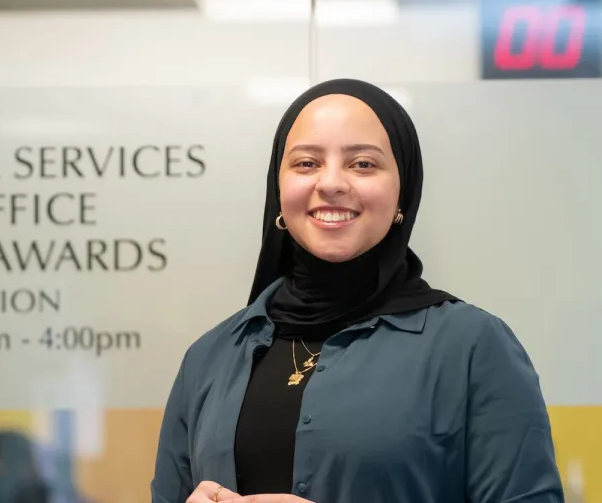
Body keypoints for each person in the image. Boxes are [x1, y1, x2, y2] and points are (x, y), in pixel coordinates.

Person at [149, 79, 562, 503]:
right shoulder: (210, 357)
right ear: (279, 188)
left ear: (403, 191)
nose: (331, 183)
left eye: (362, 164)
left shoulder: (472, 348)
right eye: (306, 163)